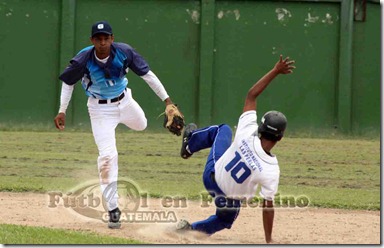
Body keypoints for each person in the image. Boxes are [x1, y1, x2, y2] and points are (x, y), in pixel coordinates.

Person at [54, 21, 179, 229]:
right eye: (98, 38)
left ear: (112, 38)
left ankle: (126, 119)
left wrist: (167, 101)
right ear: (92, 40)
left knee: (142, 124)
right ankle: (113, 209)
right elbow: (68, 83)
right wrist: (62, 110)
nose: (102, 42)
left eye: (106, 38)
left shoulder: (124, 52)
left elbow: (148, 76)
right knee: (108, 157)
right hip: (100, 110)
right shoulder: (83, 59)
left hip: (125, 101)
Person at [176, 55, 295, 243]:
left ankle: (190, 145)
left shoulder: (247, 131)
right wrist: (269, 240)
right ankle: (191, 230)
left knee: (222, 129)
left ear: (261, 128)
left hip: (211, 177)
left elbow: (251, 95)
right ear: (280, 137)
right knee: (224, 219)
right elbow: (267, 207)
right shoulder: (272, 169)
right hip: (228, 199)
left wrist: (275, 71)